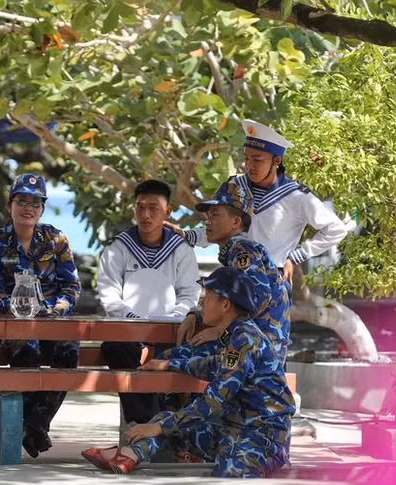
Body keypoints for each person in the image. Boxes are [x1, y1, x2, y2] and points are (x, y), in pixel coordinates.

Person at [81, 266, 296, 478]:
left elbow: (214, 400)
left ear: (225, 304)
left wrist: (159, 426)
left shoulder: (245, 339)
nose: (202, 302)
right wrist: (170, 364)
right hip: (232, 428)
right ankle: (128, 455)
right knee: (169, 422)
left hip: (263, 435)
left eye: (208, 296)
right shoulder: (230, 336)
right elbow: (210, 363)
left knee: (230, 474)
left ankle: (136, 453)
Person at [169, 119, 348, 284]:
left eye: (257, 160)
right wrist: (188, 236)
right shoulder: (233, 186)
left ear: (276, 160)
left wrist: (296, 257)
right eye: (247, 158)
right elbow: (217, 227)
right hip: (233, 279)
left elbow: (336, 229)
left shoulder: (296, 196)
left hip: (272, 281)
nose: (250, 165)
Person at [0, 173, 81, 458]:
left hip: (53, 322)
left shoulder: (56, 239)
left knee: (69, 351)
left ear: (42, 209)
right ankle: (31, 427)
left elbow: (71, 285)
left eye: (35, 203)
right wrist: (14, 309)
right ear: (9, 205)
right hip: (14, 324)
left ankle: (35, 423)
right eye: (22, 201)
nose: (28, 208)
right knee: (27, 349)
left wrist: (58, 309)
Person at [97, 179, 200, 425]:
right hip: (128, 329)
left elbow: (189, 293)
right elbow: (109, 293)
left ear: (168, 211)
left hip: (171, 329)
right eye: (140, 207)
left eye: (153, 208)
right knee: (113, 347)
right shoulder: (118, 248)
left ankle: (177, 429)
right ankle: (146, 420)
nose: (145, 214)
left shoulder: (181, 250)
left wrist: (173, 318)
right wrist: (132, 318)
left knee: (183, 357)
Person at [172, 179, 291, 369]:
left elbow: (260, 297)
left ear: (236, 221)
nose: (207, 222)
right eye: (207, 216)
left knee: (173, 359)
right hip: (253, 344)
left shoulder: (242, 249)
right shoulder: (235, 250)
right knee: (179, 359)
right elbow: (229, 303)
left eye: (215, 215)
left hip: (259, 349)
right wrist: (195, 315)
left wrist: (221, 330)